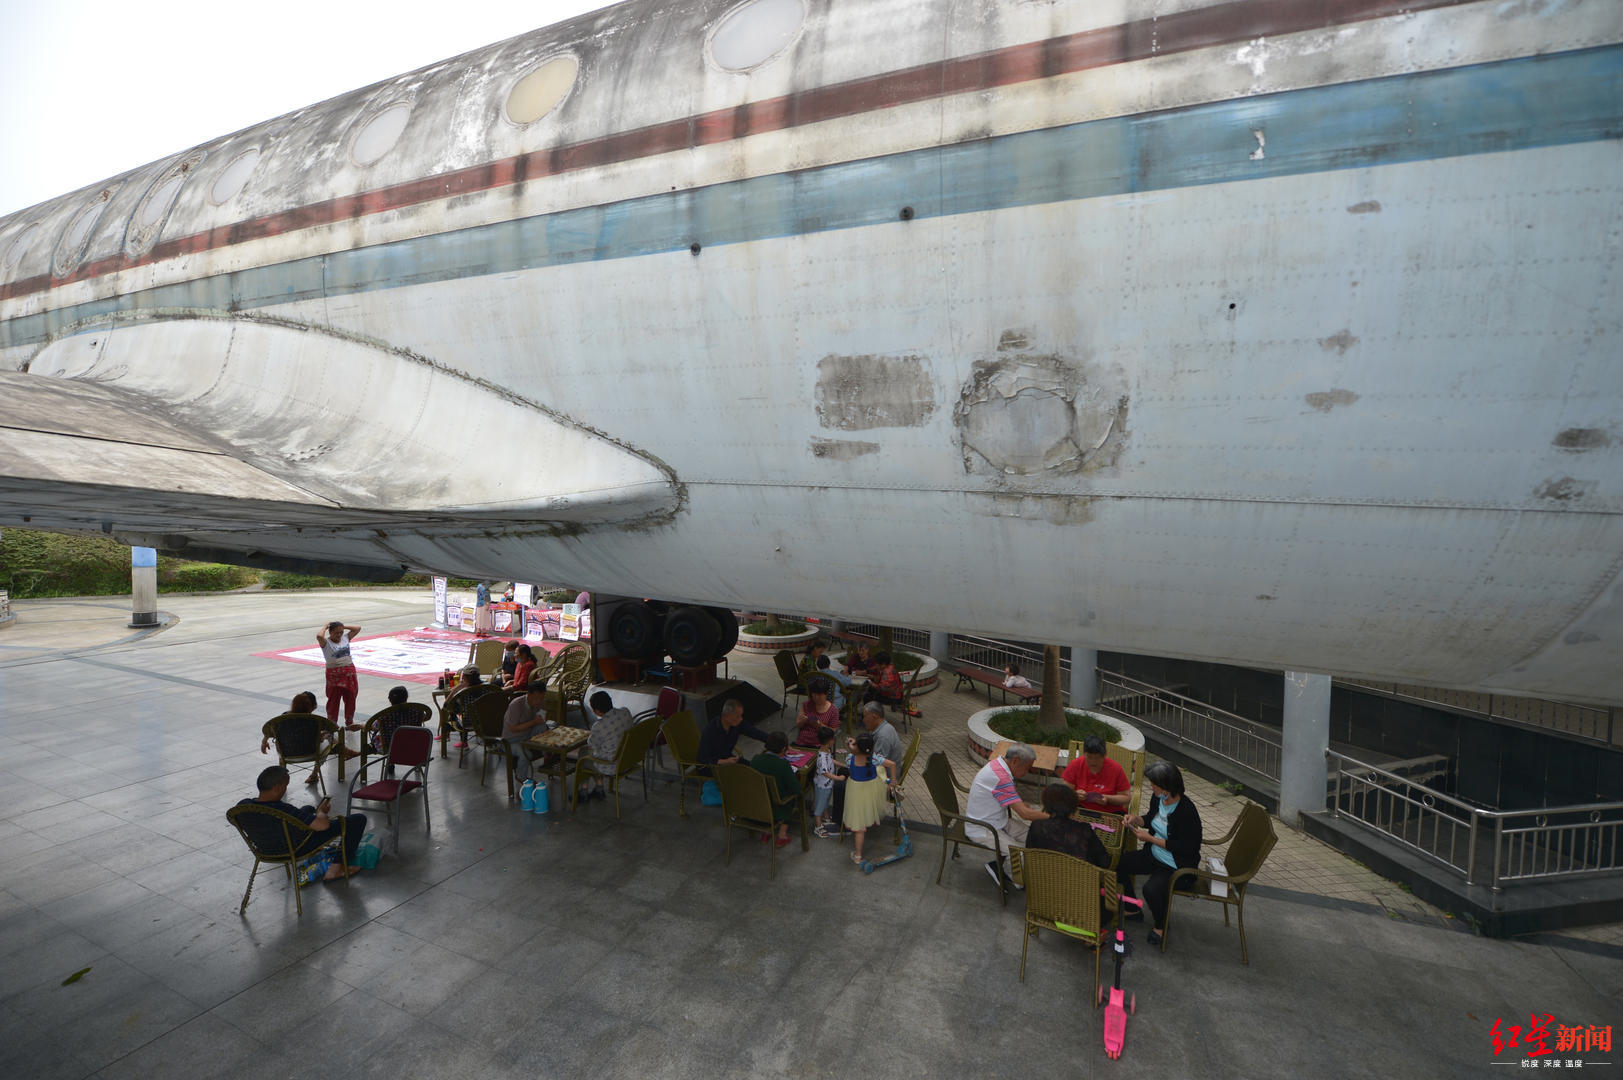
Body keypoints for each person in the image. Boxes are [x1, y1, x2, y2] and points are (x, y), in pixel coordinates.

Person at [1115, 761, 1202, 946]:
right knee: (1117, 862)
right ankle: (1132, 908)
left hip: (1175, 865)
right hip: (1153, 854)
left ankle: (1161, 926)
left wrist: (1150, 839)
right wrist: (1135, 819)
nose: (1151, 786)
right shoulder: (1158, 799)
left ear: (1167, 786)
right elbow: (1150, 819)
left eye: (1154, 783)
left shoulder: (1186, 811)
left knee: (1151, 889)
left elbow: (1186, 847)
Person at [234, 765, 365, 879]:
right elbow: (323, 826)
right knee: (357, 820)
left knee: (308, 809)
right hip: (295, 848)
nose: (285, 789)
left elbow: (238, 819)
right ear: (277, 788)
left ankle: (311, 818)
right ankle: (335, 870)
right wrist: (321, 812)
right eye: (285, 786)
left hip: (263, 849)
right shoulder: (283, 810)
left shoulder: (243, 806)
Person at [964, 743, 1050, 889]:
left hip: (998, 821)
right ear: (1015, 761)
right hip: (982, 828)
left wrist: (1025, 807)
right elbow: (1024, 814)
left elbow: (1016, 802)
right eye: (1027, 768)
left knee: (1034, 836)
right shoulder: (1000, 776)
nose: (1027, 772)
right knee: (1018, 853)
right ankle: (1003, 873)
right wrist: (1055, 816)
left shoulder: (999, 765)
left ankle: (1004, 867)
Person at [260, 691, 345, 787]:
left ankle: (346, 752)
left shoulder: (283, 718)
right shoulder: (315, 720)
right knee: (331, 737)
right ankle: (314, 774)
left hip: (286, 753)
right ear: (312, 707)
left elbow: (270, 731)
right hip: (311, 752)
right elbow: (335, 728)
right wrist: (321, 734)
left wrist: (264, 741)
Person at [1025, 781, 1112, 869]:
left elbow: (1029, 855)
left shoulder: (1037, 826)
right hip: (1079, 876)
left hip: (1042, 874)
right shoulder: (1083, 829)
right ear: (1073, 805)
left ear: (1046, 804)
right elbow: (1104, 861)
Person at [840, 731, 896, 866]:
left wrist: (849, 745)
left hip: (855, 792)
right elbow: (892, 764)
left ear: (857, 747)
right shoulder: (874, 758)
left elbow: (852, 754)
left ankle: (858, 855)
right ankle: (867, 820)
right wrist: (893, 781)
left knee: (859, 825)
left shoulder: (850, 758)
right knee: (867, 809)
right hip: (871, 791)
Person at [580, 690, 635, 800]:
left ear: (597, 711)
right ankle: (598, 788)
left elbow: (591, 746)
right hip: (628, 760)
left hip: (612, 766)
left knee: (583, 755)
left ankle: (584, 791)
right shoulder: (625, 712)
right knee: (597, 753)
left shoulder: (598, 726)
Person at [750, 731, 800, 847]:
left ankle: (766, 832)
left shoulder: (755, 759)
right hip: (777, 808)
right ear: (783, 749)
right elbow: (796, 789)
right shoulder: (783, 765)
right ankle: (782, 835)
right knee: (791, 799)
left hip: (758, 804)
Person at [1060, 735, 1132, 812]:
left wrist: (1107, 798)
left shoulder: (1116, 768)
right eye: (1089, 757)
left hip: (1110, 812)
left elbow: (1126, 797)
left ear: (1105, 755)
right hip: (1081, 808)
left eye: (1097, 758)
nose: (1093, 762)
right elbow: (1064, 791)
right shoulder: (1076, 764)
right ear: (1084, 754)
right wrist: (1075, 794)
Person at [697, 699, 770, 771]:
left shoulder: (737, 724)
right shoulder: (710, 731)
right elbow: (703, 758)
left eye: (741, 716)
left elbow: (755, 732)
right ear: (727, 716)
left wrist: (772, 740)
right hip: (712, 767)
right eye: (738, 716)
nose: (741, 719)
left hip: (728, 758)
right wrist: (725, 761)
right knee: (745, 774)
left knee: (753, 769)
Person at [502, 684, 551, 782]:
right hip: (511, 740)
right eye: (536, 698)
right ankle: (521, 778)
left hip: (527, 735)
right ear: (529, 695)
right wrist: (534, 722)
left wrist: (544, 718)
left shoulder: (541, 702)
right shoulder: (516, 705)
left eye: (541, 698)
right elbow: (513, 728)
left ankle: (547, 755)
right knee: (526, 754)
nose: (539, 701)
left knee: (543, 727)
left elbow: (543, 718)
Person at [446, 666, 501, 750]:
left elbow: (446, 705)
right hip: (487, 721)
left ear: (464, 677)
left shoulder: (463, 693)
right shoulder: (488, 688)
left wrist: (454, 690)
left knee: (454, 711)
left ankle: (461, 740)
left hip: (468, 723)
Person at [317, 621, 361, 725]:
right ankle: (332, 723)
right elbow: (319, 636)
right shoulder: (326, 643)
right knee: (333, 700)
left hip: (349, 673)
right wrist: (325, 626)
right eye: (336, 633)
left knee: (351, 698)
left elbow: (358, 628)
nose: (339, 635)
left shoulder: (345, 638)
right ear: (330, 632)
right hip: (334, 676)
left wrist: (342, 627)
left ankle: (349, 721)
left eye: (341, 632)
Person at [369, 685, 419, 778]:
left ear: (390, 700)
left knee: (384, 737)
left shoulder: (384, 715)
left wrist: (360, 726)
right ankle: (416, 763)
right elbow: (425, 717)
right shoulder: (416, 711)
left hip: (390, 746)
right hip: (411, 744)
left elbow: (373, 727)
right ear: (406, 698)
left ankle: (390, 763)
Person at [861, 652, 920, 718]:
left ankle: (867, 717)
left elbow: (880, 687)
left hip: (893, 698)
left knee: (867, 696)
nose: (876, 665)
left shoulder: (888, 672)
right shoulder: (889, 665)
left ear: (883, 664)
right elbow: (877, 672)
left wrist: (870, 683)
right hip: (896, 694)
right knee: (870, 690)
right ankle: (871, 713)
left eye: (876, 664)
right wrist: (866, 672)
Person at [811, 726, 840, 838]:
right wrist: (838, 778)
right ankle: (818, 826)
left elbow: (831, 760)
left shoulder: (826, 750)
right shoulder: (822, 757)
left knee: (825, 801)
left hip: (826, 784)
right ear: (829, 741)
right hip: (823, 784)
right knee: (820, 804)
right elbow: (825, 772)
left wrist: (842, 765)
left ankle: (826, 817)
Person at [794, 677, 841, 747]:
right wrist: (803, 721)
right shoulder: (806, 705)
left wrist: (820, 725)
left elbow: (832, 732)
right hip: (802, 742)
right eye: (814, 694)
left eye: (819, 695)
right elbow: (798, 725)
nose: (816, 697)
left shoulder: (833, 710)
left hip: (820, 744)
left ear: (826, 694)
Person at [858, 701, 903, 768]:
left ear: (875, 716)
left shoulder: (882, 736)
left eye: (865, 716)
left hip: (885, 773)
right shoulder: (885, 727)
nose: (863, 720)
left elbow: (878, 766)